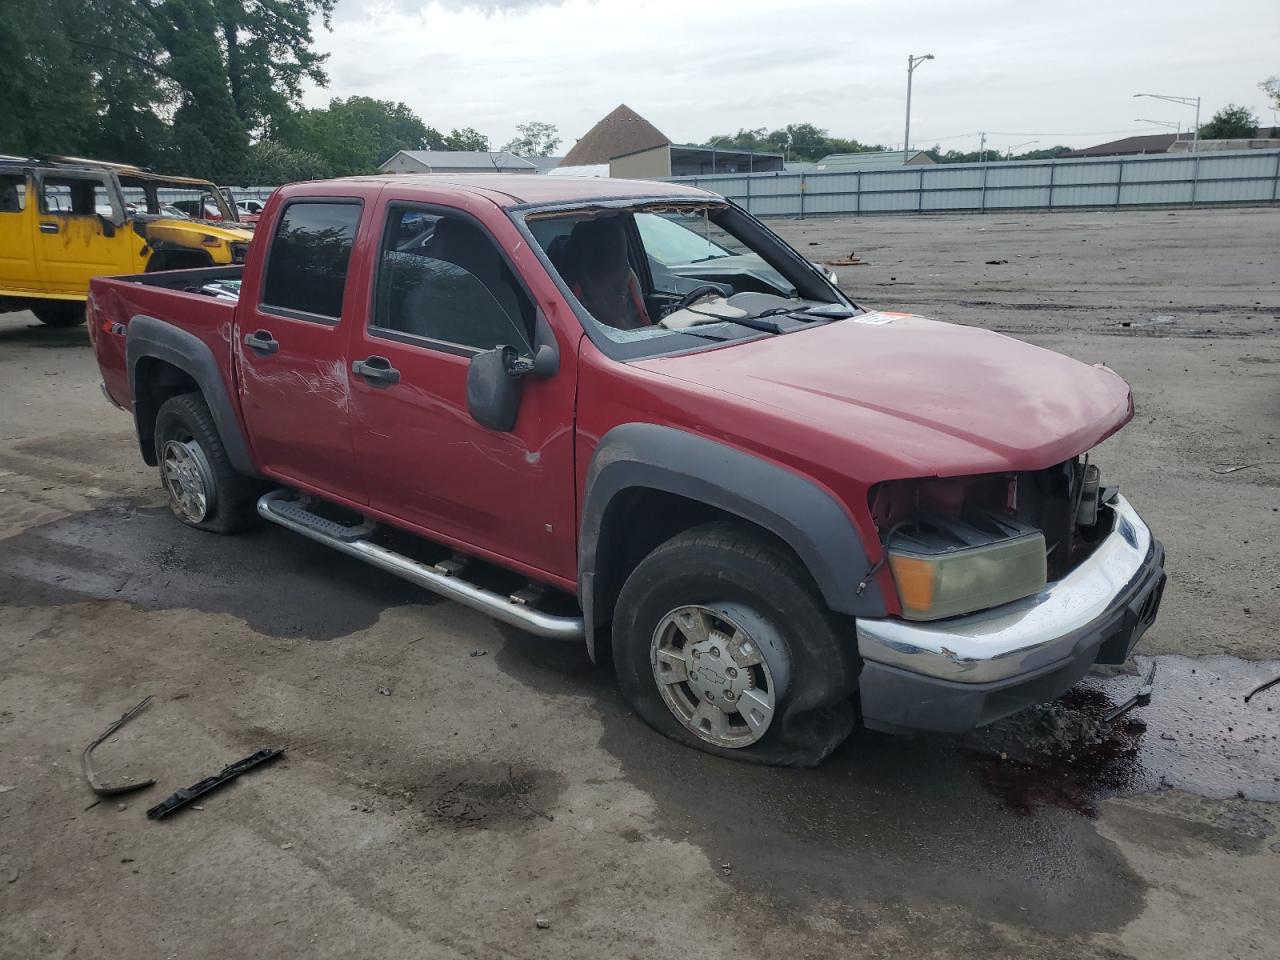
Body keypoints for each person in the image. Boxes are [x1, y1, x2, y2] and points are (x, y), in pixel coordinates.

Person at [562, 217, 652, 330]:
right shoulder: (627, 272)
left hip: (593, 335)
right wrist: (651, 332)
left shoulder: (579, 278)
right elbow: (642, 312)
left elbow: (570, 314)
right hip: (626, 332)